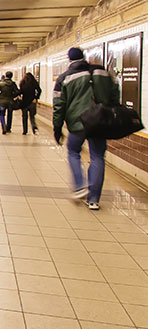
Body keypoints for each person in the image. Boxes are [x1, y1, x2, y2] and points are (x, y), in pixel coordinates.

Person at [53, 47, 120, 210]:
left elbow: (58, 105)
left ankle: (79, 185)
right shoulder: (102, 73)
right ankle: (94, 200)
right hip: (100, 122)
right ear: (83, 57)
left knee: (74, 152)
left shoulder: (65, 78)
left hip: (78, 123)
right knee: (98, 157)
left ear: (69, 60)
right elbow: (115, 93)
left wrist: (57, 127)